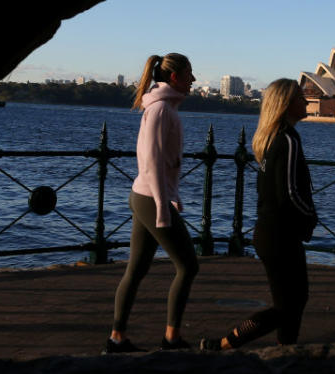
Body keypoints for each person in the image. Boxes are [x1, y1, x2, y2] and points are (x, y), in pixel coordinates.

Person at [200, 79, 316, 350]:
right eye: (301, 97)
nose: (307, 102)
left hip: (269, 232)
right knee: (289, 305)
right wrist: (310, 216)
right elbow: (289, 191)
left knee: (292, 302)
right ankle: (226, 343)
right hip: (281, 234)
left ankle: (285, 350)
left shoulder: (272, 138)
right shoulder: (288, 139)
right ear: (287, 104)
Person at [104, 53, 198, 353]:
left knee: (137, 269)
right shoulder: (161, 111)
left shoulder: (164, 108)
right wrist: (162, 206)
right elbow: (152, 162)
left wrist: (173, 196)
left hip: (146, 195)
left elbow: (164, 163)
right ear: (175, 77)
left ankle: (117, 338)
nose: (193, 80)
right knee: (188, 266)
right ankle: (171, 338)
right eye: (189, 74)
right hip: (149, 199)